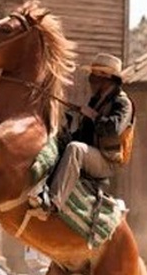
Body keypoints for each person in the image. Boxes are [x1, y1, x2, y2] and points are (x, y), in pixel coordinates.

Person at [49, 53, 134, 213]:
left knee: (76, 149)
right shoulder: (95, 101)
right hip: (92, 153)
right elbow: (84, 134)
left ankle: (54, 202)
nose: (91, 79)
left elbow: (113, 129)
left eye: (95, 76)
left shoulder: (122, 104)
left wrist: (93, 115)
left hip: (106, 160)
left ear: (107, 78)